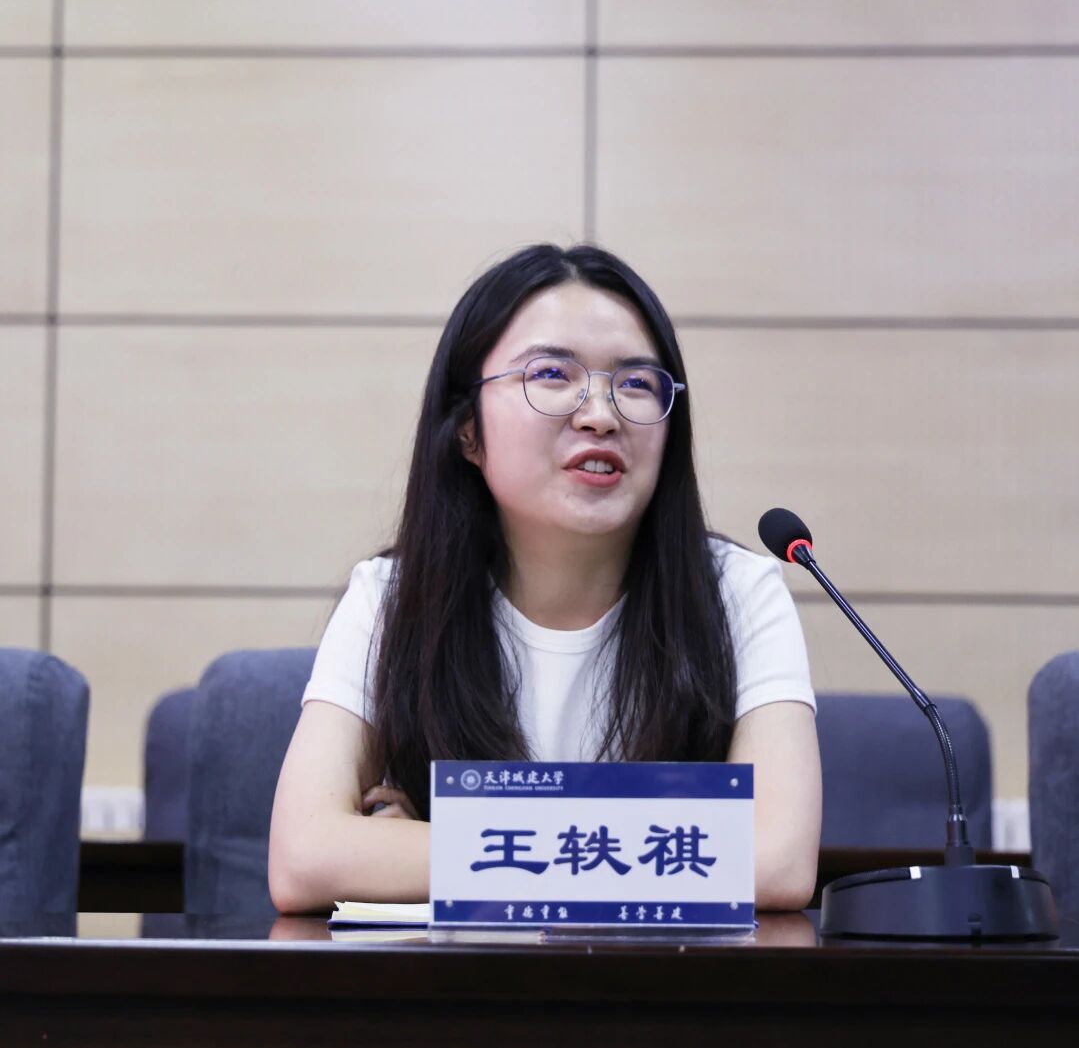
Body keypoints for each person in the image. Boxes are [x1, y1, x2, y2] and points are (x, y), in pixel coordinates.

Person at [268, 244, 821, 913]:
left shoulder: (738, 593)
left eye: (637, 383)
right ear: (467, 429)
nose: (601, 414)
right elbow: (303, 857)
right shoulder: (391, 596)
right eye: (552, 374)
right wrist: (674, 850)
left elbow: (778, 861)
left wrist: (430, 847)